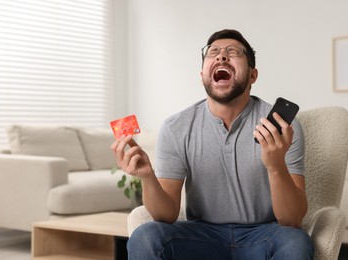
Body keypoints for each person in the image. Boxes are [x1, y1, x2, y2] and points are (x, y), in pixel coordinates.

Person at [111, 29, 314, 259]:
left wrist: (276, 165)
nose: (221, 56)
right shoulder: (176, 127)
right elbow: (165, 216)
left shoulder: (282, 126)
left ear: (252, 75)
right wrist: (147, 177)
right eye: (213, 52)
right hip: (200, 235)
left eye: (233, 52)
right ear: (202, 75)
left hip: (264, 235)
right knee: (145, 236)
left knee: (296, 242)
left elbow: (292, 220)